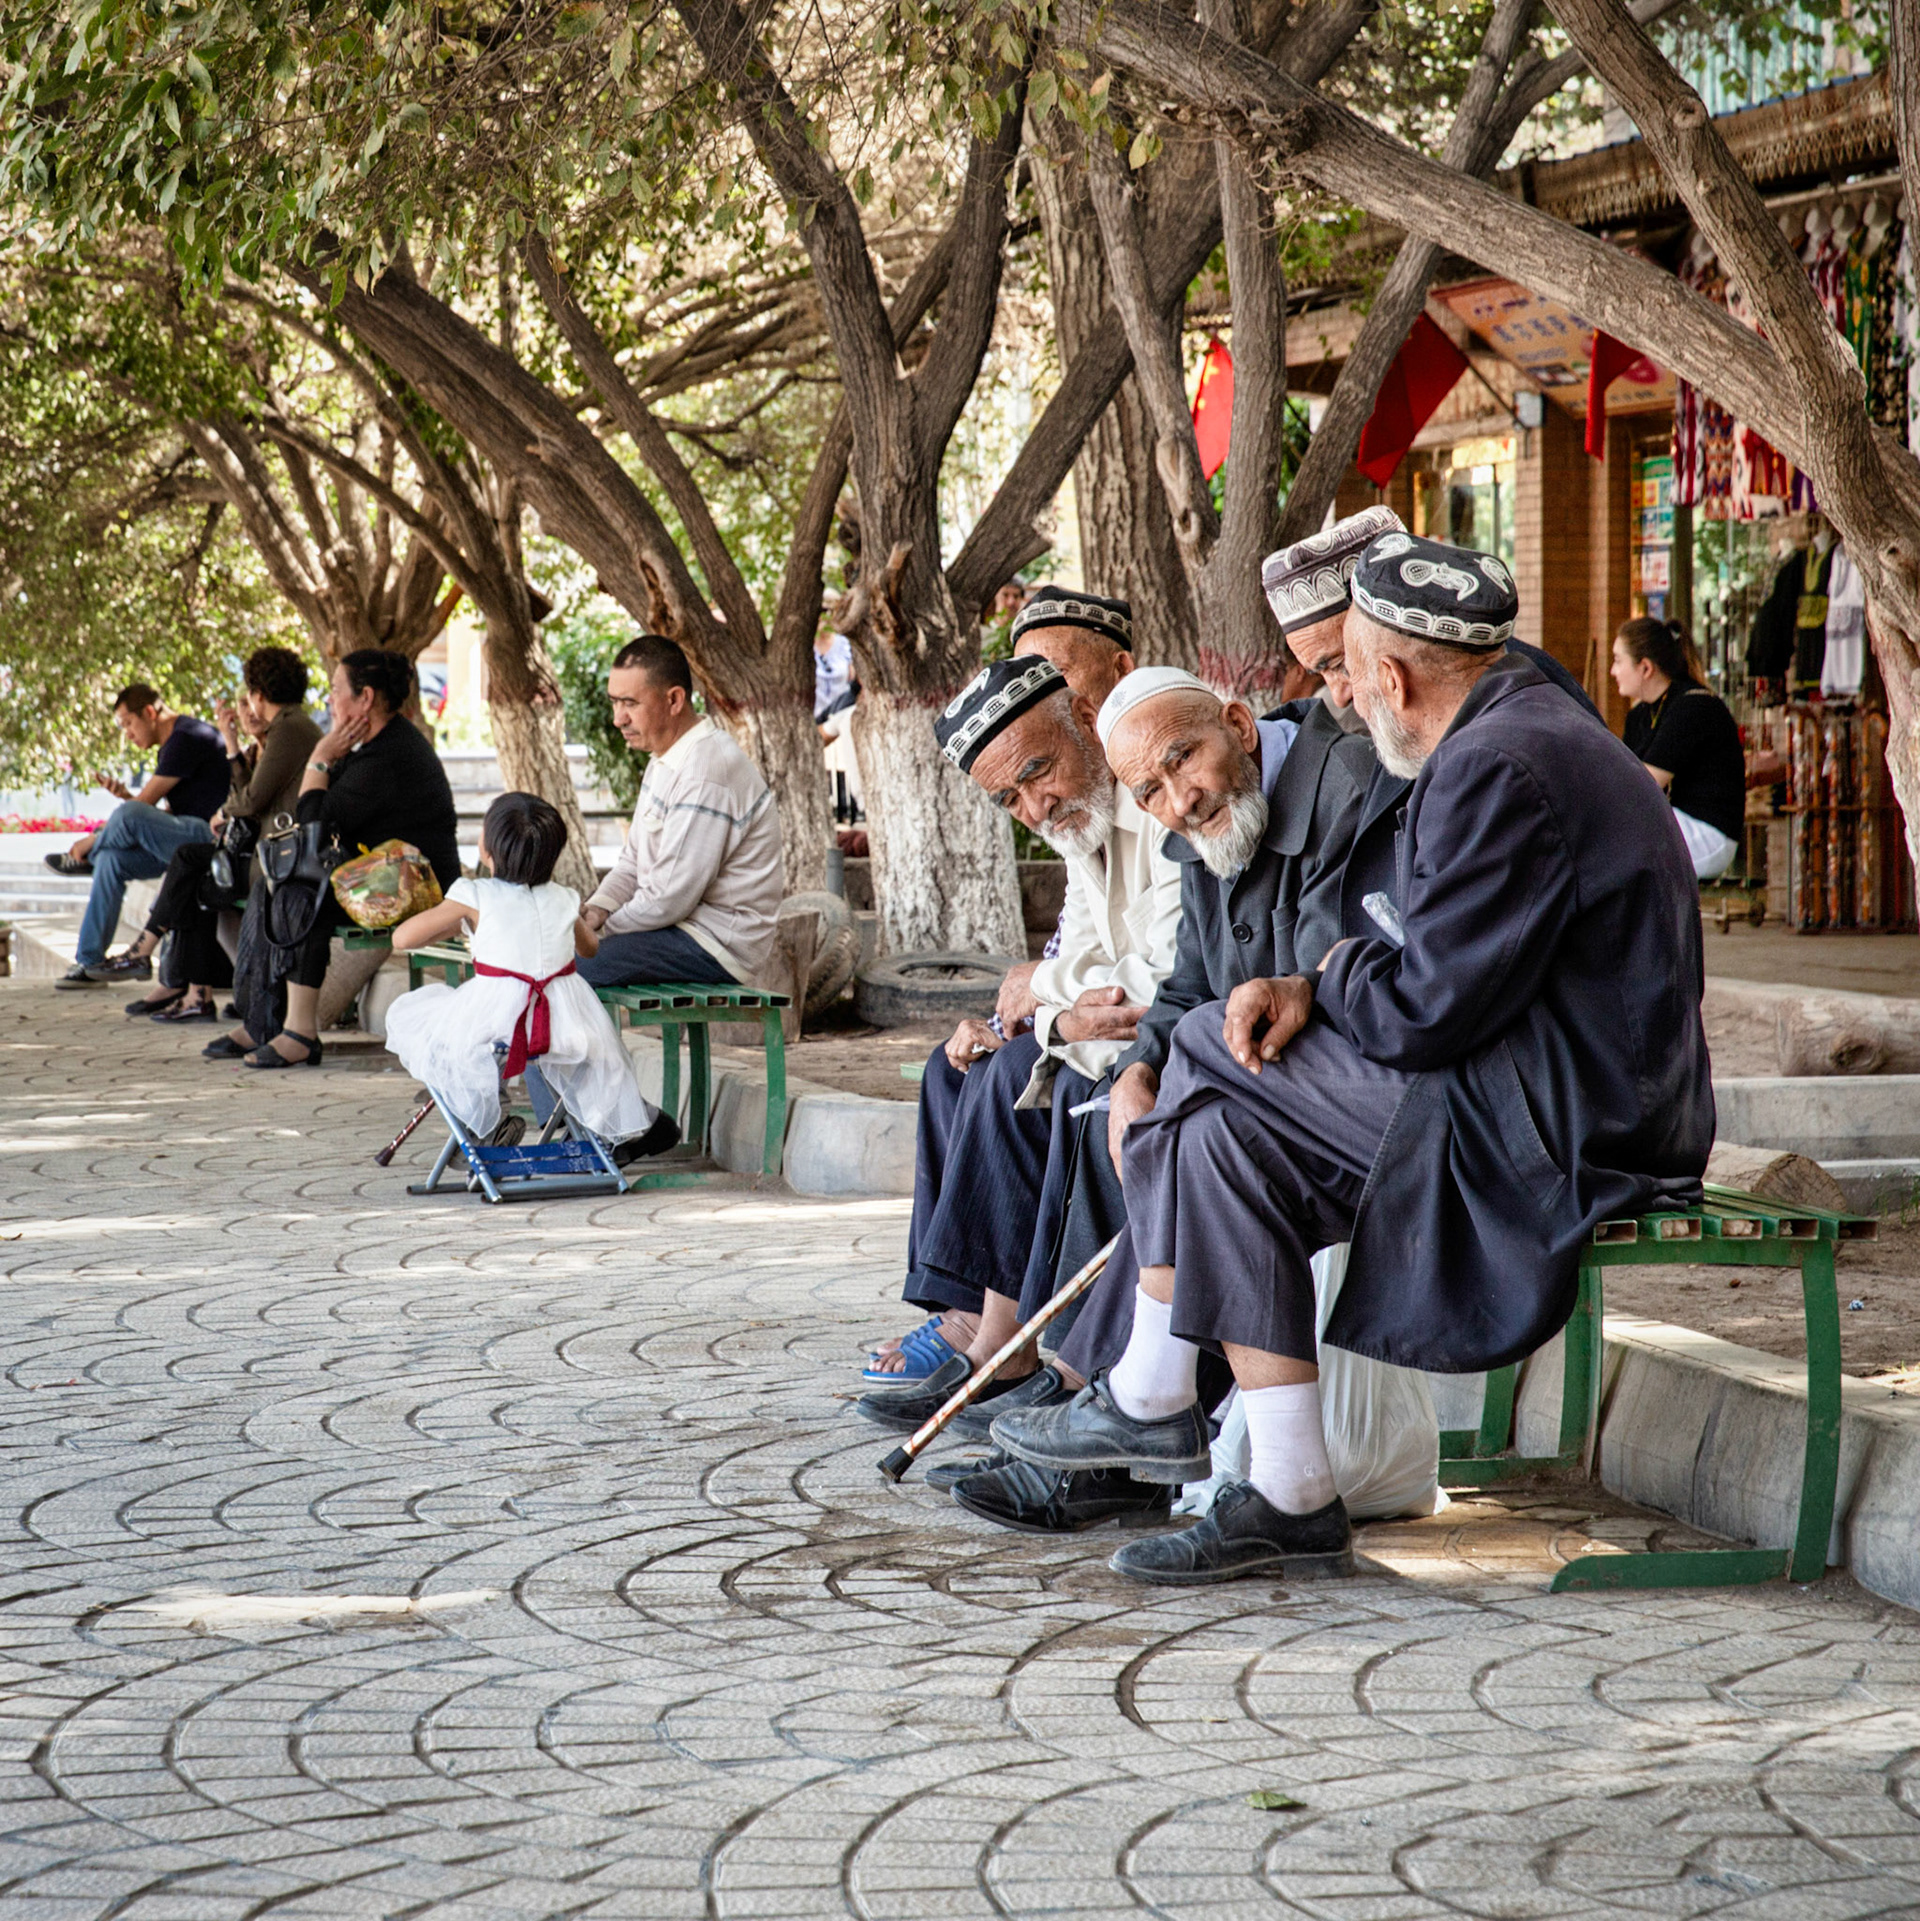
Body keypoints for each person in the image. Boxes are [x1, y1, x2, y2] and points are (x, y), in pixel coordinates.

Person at [991, 531, 1713, 1585]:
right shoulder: (1517, 728)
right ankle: (1289, 1491)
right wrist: (1323, 984)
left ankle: (1149, 1389)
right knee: (1229, 1136)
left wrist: (1324, 975)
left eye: (1342, 676)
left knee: (1205, 1044)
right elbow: (1442, 971)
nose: (1339, 704)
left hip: (1574, 1128)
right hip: (1552, 1093)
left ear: (1392, 673)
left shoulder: (1495, 762)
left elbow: (1426, 1008)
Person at [851, 653, 1183, 1457]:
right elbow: (1086, 964)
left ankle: (1005, 1345)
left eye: (1039, 770)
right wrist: (1045, 1008)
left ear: (1078, 712)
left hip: (1164, 1036)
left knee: (1008, 1076)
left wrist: (1045, 999)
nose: (1037, 804)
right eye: (1010, 797)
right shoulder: (1077, 819)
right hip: (1101, 1030)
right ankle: (974, 1317)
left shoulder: (1154, 790)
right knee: (955, 1065)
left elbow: (1153, 978)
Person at [209, 647, 459, 1070]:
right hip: (382, 872)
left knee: (303, 890)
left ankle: (300, 1032)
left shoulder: (389, 755)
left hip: (417, 883)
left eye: (335, 689)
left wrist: (319, 757)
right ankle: (263, 1021)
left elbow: (313, 823)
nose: (328, 699)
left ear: (364, 698)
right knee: (276, 883)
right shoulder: (374, 747)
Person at [384, 793, 672, 1155]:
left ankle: (492, 1121)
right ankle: (630, 1120)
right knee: (549, 1056)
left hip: (500, 1020)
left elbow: (404, 937)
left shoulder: (474, 895)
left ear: (487, 848)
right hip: (566, 1024)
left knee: (443, 1040)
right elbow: (590, 949)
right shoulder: (565, 899)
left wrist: (459, 921)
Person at [119, 649, 321, 1020]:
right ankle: (190, 989)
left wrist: (224, 811)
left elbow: (252, 799)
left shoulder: (290, 729)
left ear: (259, 694)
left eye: (249, 697)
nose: (247, 708)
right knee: (195, 874)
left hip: (279, 859)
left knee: (190, 865)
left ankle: (154, 956)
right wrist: (231, 744)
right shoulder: (283, 730)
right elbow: (246, 790)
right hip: (266, 852)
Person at [576, 634, 783, 989]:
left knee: (569, 968)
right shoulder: (665, 759)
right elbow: (631, 863)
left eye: (630, 703)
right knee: (557, 958)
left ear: (673, 700)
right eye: (614, 702)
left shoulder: (706, 769)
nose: (617, 719)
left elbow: (669, 898)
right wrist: (595, 910)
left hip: (717, 945)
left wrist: (598, 933)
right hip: (679, 929)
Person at [51, 684, 229, 988]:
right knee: (110, 859)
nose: (128, 734)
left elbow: (143, 806)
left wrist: (96, 835)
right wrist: (128, 802)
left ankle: (85, 852)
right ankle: (90, 963)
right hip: (183, 837)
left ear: (149, 712)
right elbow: (165, 813)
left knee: (128, 817)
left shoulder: (186, 737)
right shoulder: (173, 743)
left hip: (211, 840)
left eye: (128, 724)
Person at [1611, 616, 1745, 880]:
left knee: (1611, 832)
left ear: (1645, 668)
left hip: (1708, 835)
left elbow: (1641, 785)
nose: (1613, 671)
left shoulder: (1693, 706)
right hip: (1676, 825)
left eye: (1618, 661)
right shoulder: (1640, 715)